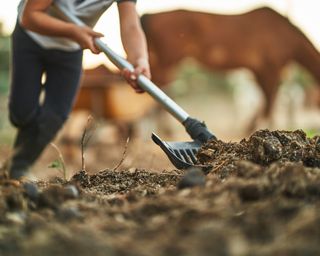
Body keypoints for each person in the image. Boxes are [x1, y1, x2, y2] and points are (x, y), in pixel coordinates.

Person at [8, 0, 151, 180]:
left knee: (56, 115)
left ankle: (18, 167)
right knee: (22, 115)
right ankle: (19, 144)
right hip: (31, 38)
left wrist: (139, 58)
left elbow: (130, 24)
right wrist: (73, 30)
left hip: (70, 50)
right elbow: (30, 16)